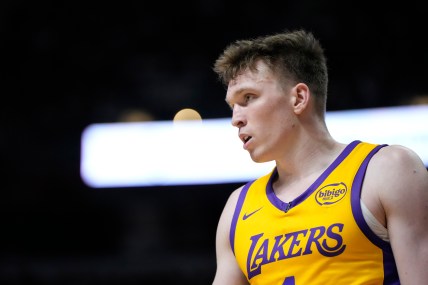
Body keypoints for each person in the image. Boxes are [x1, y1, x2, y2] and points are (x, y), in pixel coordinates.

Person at [211, 29, 428, 285]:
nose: (236, 118)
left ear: (299, 98)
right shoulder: (237, 208)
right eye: (232, 106)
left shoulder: (387, 169)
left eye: (248, 98)